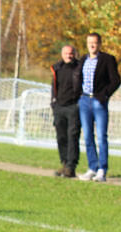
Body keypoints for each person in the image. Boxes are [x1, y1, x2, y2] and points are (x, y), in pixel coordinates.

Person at [77, 32, 121, 182]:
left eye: (94, 42)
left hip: (98, 101)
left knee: (101, 136)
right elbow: (78, 78)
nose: (92, 45)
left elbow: (115, 80)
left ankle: (102, 169)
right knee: (88, 136)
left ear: (99, 43)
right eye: (89, 42)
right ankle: (92, 167)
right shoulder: (83, 59)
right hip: (84, 100)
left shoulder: (107, 59)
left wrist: (105, 95)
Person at [50, 45, 82, 178]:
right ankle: (64, 163)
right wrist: (53, 103)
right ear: (62, 54)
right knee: (61, 136)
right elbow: (54, 86)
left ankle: (71, 166)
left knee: (72, 136)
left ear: (75, 54)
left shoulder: (80, 68)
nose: (69, 56)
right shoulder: (57, 68)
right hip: (59, 106)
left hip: (74, 106)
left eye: (71, 53)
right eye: (66, 53)